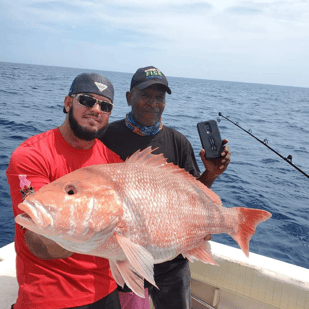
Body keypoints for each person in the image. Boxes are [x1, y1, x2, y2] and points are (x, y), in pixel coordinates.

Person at [100, 66, 231, 309]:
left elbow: (196, 196)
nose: (153, 103)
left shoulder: (178, 142)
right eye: (145, 95)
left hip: (173, 259)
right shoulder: (106, 136)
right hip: (126, 257)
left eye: (159, 97)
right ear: (129, 98)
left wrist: (210, 173)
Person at [6, 73, 123, 309]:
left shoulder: (114, 164)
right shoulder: (31, 156)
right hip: (49, 294)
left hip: (106, 290)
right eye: (87, 101)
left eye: (105, 105)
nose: (96, 109)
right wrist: (97, 224)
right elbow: (39, 244)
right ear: (68, 103)